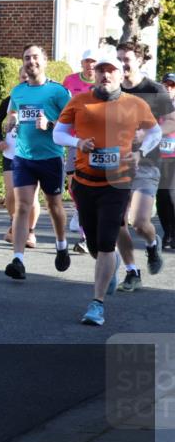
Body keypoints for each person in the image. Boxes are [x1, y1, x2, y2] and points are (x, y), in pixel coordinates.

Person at [53, 48, 160, 325]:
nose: (105, 75)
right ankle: (110, 265)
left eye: (111, 70)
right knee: (93, 244)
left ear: (119, 74)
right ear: (95, 74)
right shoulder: (79, 101)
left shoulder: (135, 104)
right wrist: (77, 143)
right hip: (84, 183)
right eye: (101, 70)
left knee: (106, 242)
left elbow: (155, 131)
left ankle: (96, 304)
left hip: (117, 183)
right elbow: (58, 133)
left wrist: (140, 152)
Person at [4, 44, 72, 280]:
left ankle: (61, 245)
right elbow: (13, 112)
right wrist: (11, 121)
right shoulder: (18, 91)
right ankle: (18, 260)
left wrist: (50, 124)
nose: (30, 62)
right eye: (26, 58)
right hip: (24, 157)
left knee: (54, 206)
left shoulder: (58, 92)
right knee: (22, 206)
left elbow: (72, 122)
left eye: (35, 57)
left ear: (44, 61)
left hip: (51, 157)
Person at [113, 42, 175, 290]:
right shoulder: (113, 88)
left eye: (126, 59)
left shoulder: (154, 89)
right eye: (119, 59)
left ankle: (152, 244)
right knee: (117, 221)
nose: (122, 64)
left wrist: (149, 133)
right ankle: (132, 271)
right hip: (116, 164)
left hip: (147, 162)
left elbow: (172, 121)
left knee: (139, 221)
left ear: (139, 61)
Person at [0, 66, 41, 247]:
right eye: (23, 77)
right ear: (19, 78)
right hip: (11, 153)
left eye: (29, 77)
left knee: (32, 197)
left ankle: (30, 232)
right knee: (12, 193)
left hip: (35, 154)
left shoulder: (42, 99)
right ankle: (14, 225)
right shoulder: (11, 99)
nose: (26, 80)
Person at [63, 49, 98, 253]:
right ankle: (80, 210)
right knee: (73, 186)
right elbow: (62, 107)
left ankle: (87, 235)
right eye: (87, 61)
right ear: (82, 63)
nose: (90, 65)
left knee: (93, 186)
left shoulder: (105, 83)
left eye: (93, 62)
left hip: (98, 142)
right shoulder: (70, 81)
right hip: (74, 141)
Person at [158, 72, 175, 250]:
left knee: (171, 194)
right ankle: (167, 233)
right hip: (158, 158)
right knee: (161, 197)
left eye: (172, 86)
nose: (169, 89)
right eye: (166, 85)